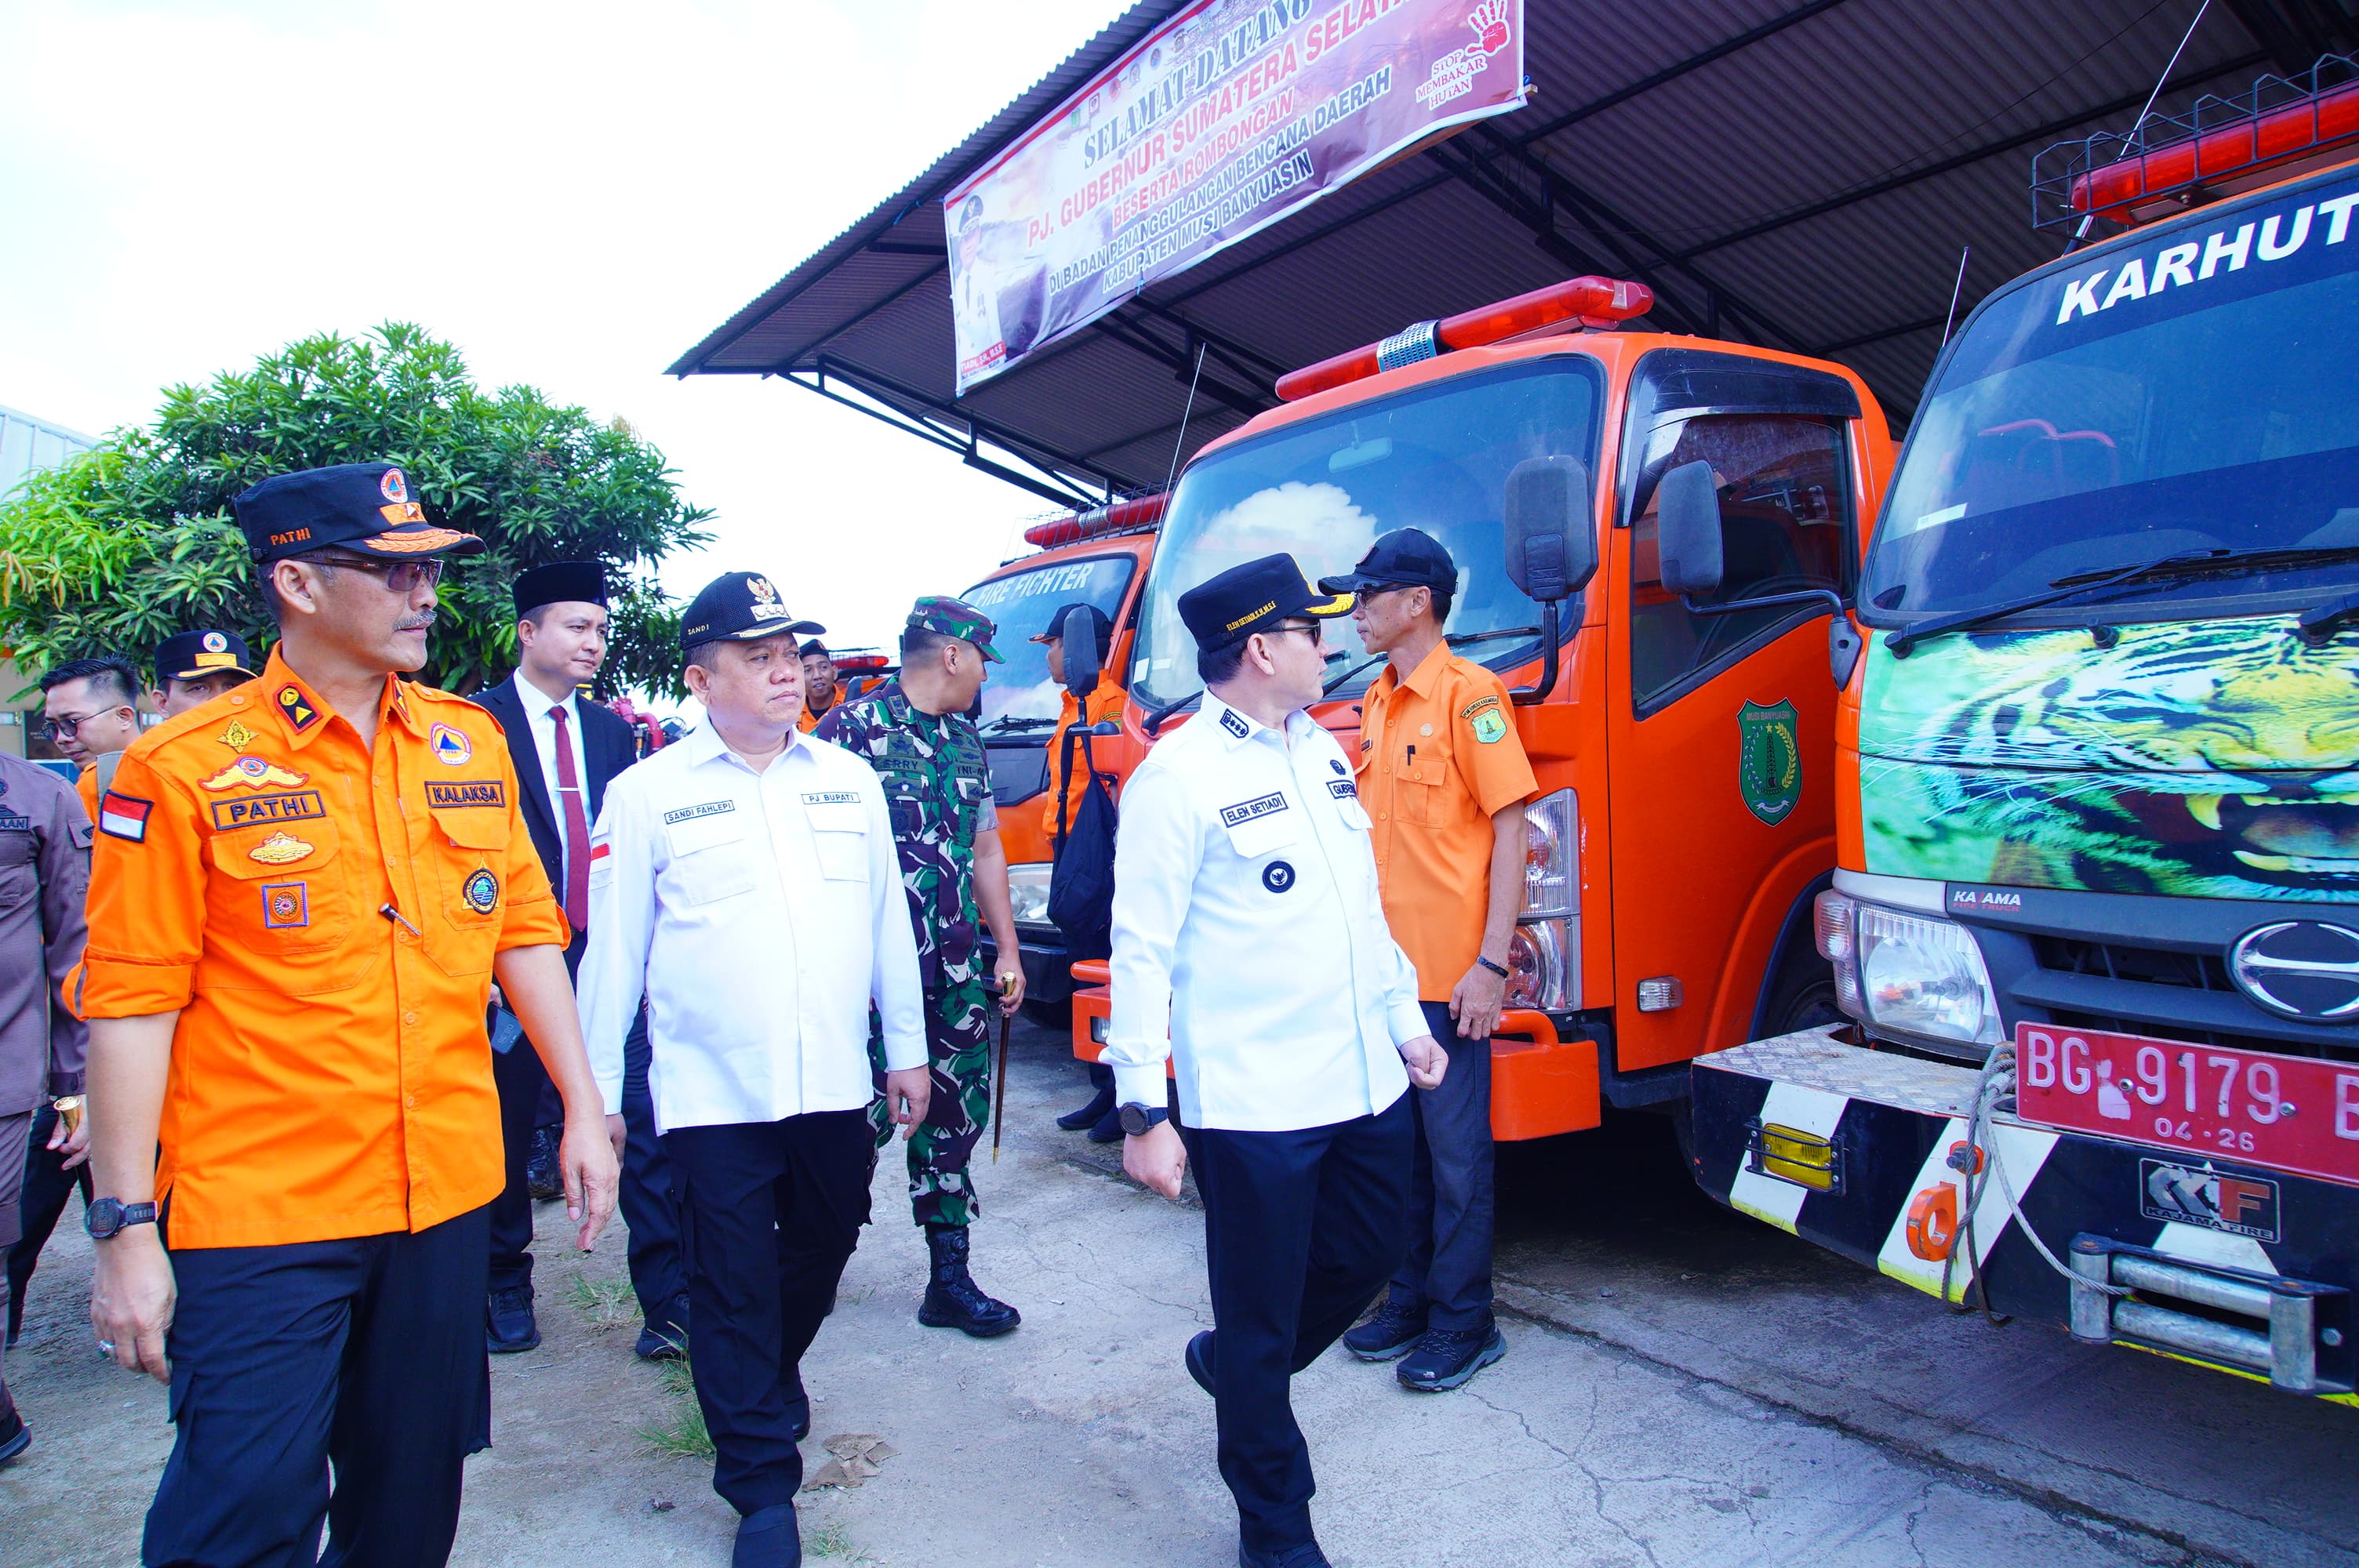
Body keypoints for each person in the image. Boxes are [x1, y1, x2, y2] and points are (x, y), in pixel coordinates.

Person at [78, 461, 619, 1568]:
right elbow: (132, 1006)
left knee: (410, 1501)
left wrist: (579, 1105)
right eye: (392, 570)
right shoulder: (179, 769)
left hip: (445, 1193)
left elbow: (524, 933)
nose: (425, 593)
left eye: (429, 569)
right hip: (262, 1210)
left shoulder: (465, 742)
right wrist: (123, 1227)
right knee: (242, 1509)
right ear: (300, 584)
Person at [576, 570, 931, 1568]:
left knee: (824, 1241)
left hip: (830, 1082)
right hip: (709, 1094)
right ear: (701, 677)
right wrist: (596, 1099)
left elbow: (883, 923)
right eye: (759, 657)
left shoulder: (844, 776)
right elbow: (613, 958)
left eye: (789, 654)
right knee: (729, 1280)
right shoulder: (646, 795)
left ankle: (766, 1369)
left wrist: (904, 1047)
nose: (786, 672)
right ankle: (760, 1483)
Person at [1105, 554, 1447, 1568]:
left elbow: (1358, 905)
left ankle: (1239, 1368)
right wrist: (1141, 1109)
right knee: (1259, 1319)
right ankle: (1275, 1524)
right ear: (1262, 649)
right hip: (1255, 1105)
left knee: (1372, 1251)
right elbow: (1141, 948)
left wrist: (1404, 1015)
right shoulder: (1180, 777)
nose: (1330, 643)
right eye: (1311, 631)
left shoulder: (1323, 752)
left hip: (1363, 1079)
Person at [1321, 530, 1536, 1392]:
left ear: (1417, 601)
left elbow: (1513, 826)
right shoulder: (1376, 700)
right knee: (1398, 1157)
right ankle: (1408, 1298)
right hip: (1387, 983)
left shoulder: (1470, 695)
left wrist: (1491, 964)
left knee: (1455, 1163)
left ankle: (1464, 1320)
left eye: (1369, 594)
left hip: (1451, 980)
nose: (1356, 610)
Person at [473, 562, 672, 1356]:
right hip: (518, 956)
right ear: (528, 632)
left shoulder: (608, 731)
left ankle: (666, 1295)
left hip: (607, 954)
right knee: (506, 1119)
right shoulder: (473, 724)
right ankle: (503, 1279)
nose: (593, 642)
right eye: (575, 626)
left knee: (640, 1118)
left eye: (599, 628)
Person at [816, 597, 1027, 1338]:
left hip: (958, 971)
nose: (983, 679)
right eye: (980, 662)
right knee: (849, 1128)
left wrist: (1005, 948)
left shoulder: (967, 739)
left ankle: (949, 1280)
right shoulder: (849, 731)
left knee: (953, 1123)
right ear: (952, 655)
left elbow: (988, 847)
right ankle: (811, 1264)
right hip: (871, 984)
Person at [0, 750, 91, 1460]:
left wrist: (75, 1088)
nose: (63, 738)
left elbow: (74, 952)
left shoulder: (38, 799)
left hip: (17, 1078)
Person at [1033, 603, 1125, 1140]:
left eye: (1054, 643)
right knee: (1082, 971)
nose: (1049, 655)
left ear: (1081, 647)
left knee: (1106, 974)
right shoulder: (1075, 703)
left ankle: (1124, 1093)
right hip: (1067, 853)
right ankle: (1103, 1088)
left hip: (1097, 863)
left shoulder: (1109, 705)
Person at [38, 655, 142, 822]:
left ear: (124, 717)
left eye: (72, 722)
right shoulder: (87, 785)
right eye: (53, 727)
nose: (61, 738)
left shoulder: (168, 772)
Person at [151, 629, 260, 717]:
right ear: (163, 703)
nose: (220, 700)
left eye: (232, 686)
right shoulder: (147, 745)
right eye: (198, 688)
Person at [796, 640, 838, 734]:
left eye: (823, 667)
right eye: (807, 670)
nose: (817, 676)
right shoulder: (792, 714)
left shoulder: (852, 707)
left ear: (834, 672)